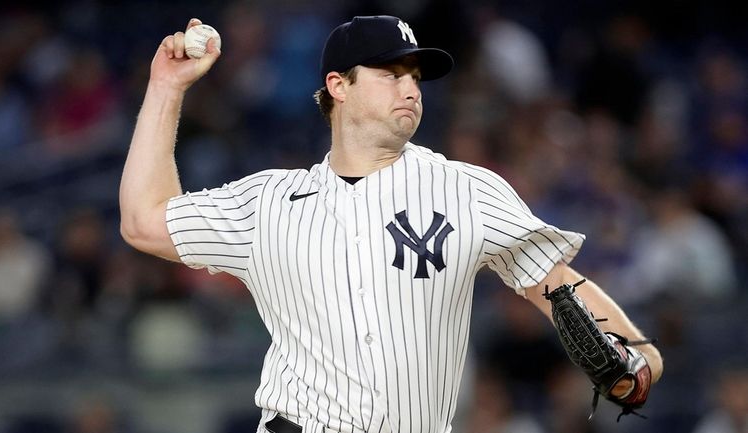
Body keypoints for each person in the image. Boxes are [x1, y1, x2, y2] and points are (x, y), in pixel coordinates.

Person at [119, 15, 663, 433]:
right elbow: (143, 221)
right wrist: (167, 87)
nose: (411, 88)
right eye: (390, 74)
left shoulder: (466, 189)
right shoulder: (269, 203)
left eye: (416, 76)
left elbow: (557, 282)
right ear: (339, 85)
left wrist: (642, 356)